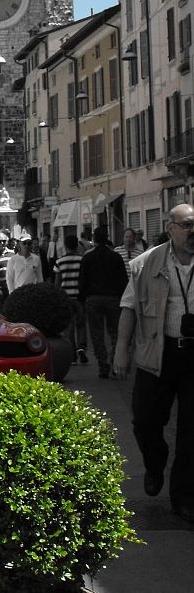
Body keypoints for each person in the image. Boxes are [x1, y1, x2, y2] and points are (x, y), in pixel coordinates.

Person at [114, 204, 194, 521]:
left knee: (191, 431)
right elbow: (129, 307)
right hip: (155, 353)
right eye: (187, 225)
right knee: (145, 422)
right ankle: (154, 462)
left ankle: (184, 497)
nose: (192, 232)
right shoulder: (145, 264)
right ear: (170, 227)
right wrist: (121, 348)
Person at [79, 226, 129, 378]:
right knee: (115, 333)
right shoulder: (115, 257)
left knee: (97, 334)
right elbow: (123, 280)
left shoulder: (88, 257)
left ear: (94, 239)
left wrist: (82, 299)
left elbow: (82, 281)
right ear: (107, 238)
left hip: (93, 299)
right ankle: (115, 362)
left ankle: (103, 365)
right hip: (113, 299)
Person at [53, 234, 88, 364]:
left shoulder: (60, 262)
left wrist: (57, 297)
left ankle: (72, 355)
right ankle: (82, 348)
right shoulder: (82, 260)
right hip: (79, 297)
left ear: (66, 246)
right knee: (81, 323)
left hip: (66, 297)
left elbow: (57, 282)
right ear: (76, 245)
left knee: (69, 327)